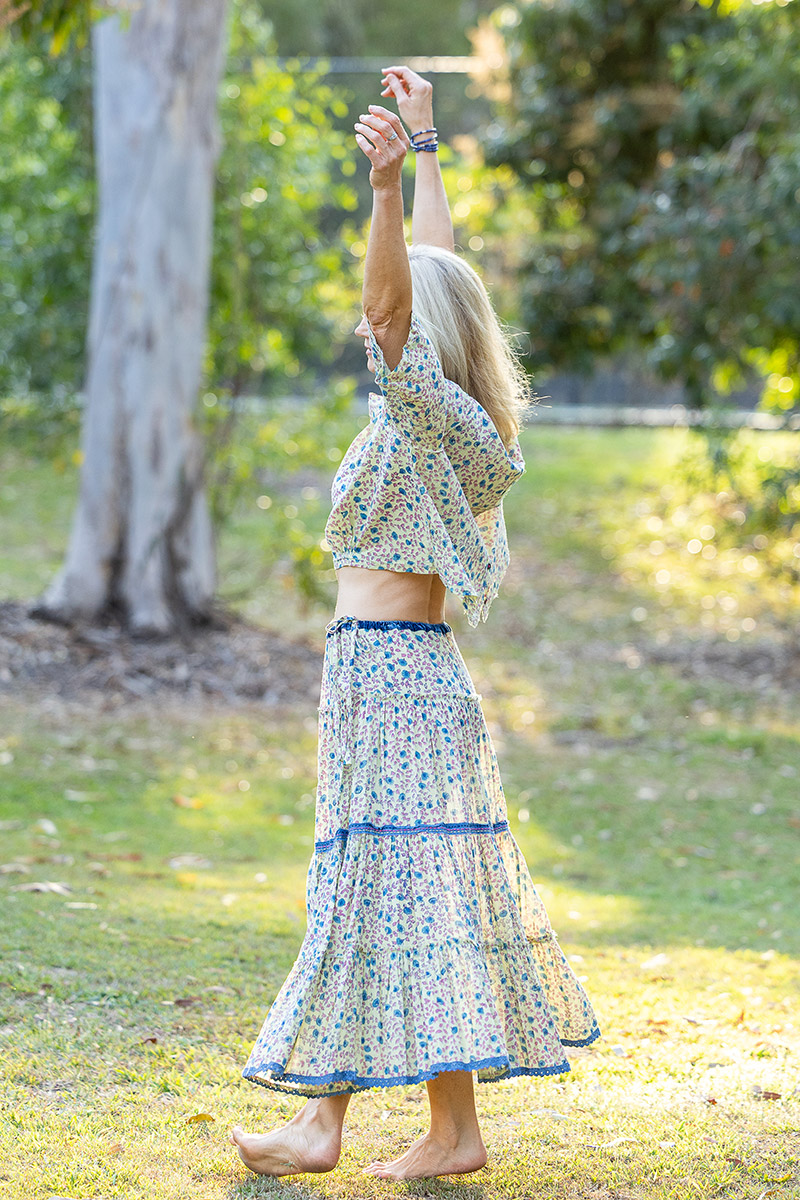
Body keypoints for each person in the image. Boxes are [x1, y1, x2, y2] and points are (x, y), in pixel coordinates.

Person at [231, 65, 599, 1182]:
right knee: (384, 890)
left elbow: (398, 307)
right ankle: (387, 1128)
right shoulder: (446, 412)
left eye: (383, 316)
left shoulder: (434, 415)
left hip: (395, 681)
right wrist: (427, 146)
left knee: (392, 890)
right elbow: (431, 282)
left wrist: (384, 189)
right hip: (384, 679)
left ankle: (391, 1129)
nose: (365, 317)